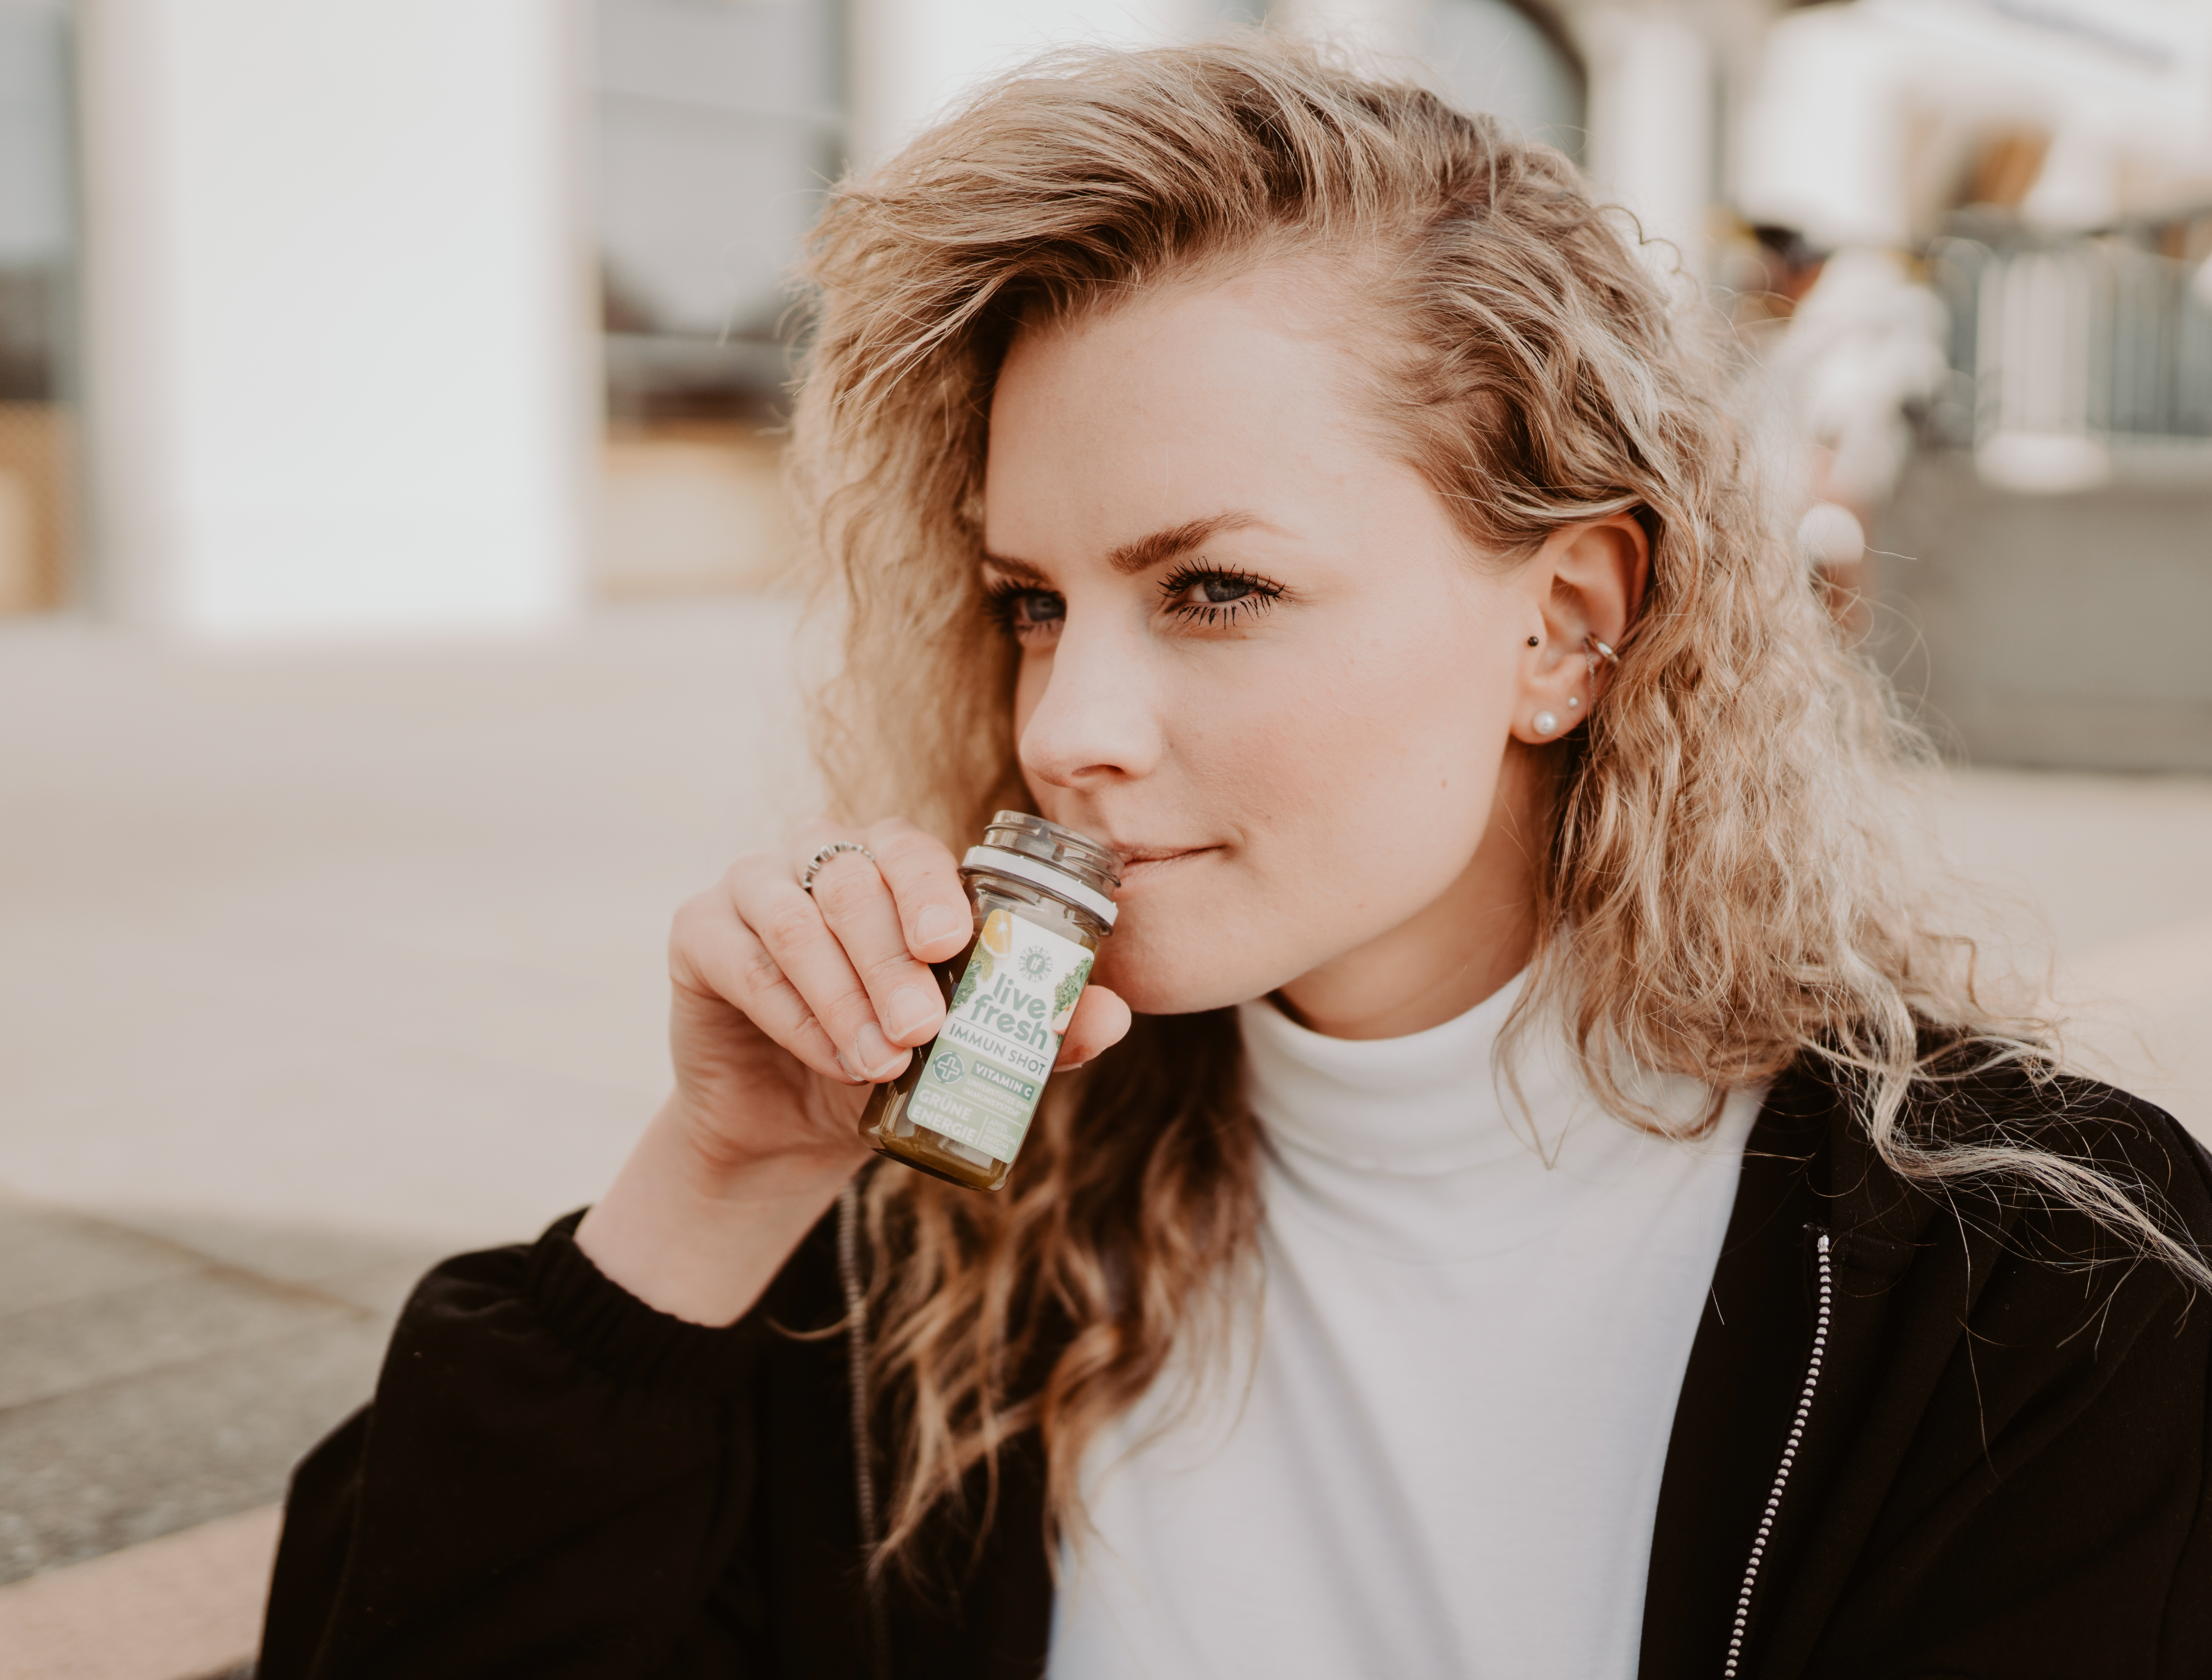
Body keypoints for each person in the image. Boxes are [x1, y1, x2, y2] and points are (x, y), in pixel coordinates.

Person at [256, 40, 2212, 1680]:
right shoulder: (941, 1229)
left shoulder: (2025, 1285)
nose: (1062, 726)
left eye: (1210, 586)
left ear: (1564, 626)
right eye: (1030, 600)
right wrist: (714, 1188)